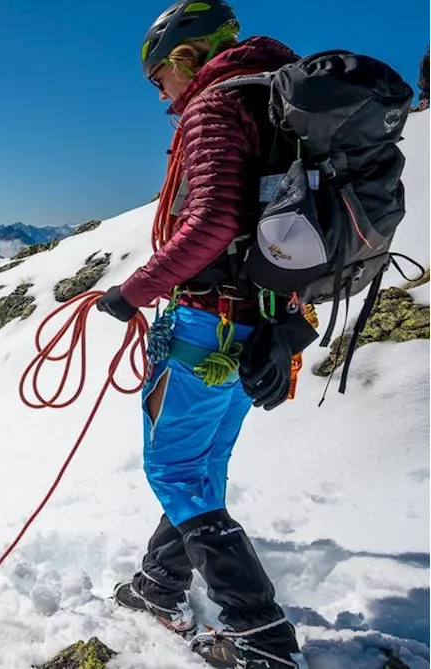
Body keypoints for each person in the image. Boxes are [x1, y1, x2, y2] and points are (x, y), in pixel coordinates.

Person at [96, 2, 309, 667]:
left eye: (158, 76)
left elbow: (213, 221)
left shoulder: (216, 105)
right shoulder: (274, 99)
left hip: (209, 321)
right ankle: (160, 584)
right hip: (263, 320)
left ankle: (260, 634)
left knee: (176, 467)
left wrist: (131, 292)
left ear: (184, 58)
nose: (159, 94)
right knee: (201, 465)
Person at [418, 45, 430, 110]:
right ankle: (424, 101)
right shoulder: (427, 61)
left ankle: (424, 101)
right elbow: (425, 75)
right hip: (426, 86)